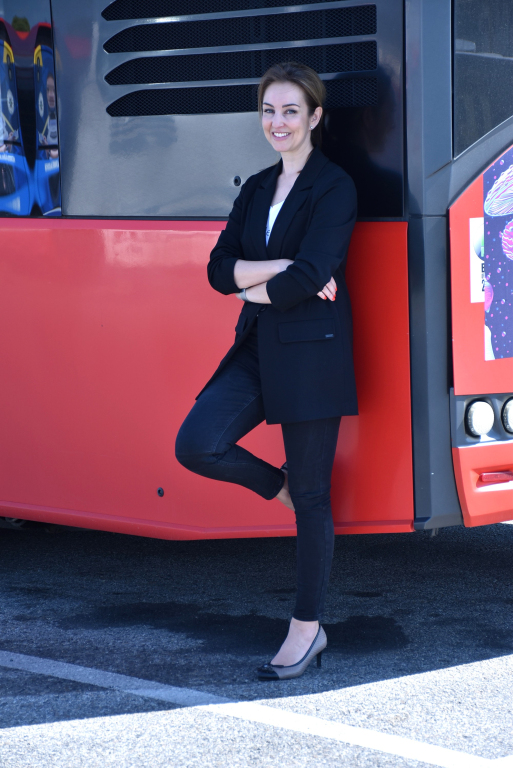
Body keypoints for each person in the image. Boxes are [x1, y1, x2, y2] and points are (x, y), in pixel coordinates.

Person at [175, 62, 357, 681]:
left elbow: (310, 274)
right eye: (269, 111)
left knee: (313, 498)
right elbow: (217, 269)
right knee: (198, 443)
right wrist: (279, 267)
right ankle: (275, 486)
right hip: (258, 346)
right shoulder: (256, 187)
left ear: (315, 117)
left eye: (290, 111)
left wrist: (252, 284)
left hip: (312, 354)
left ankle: (307, 630)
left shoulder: (334, 187)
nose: (278, 123)